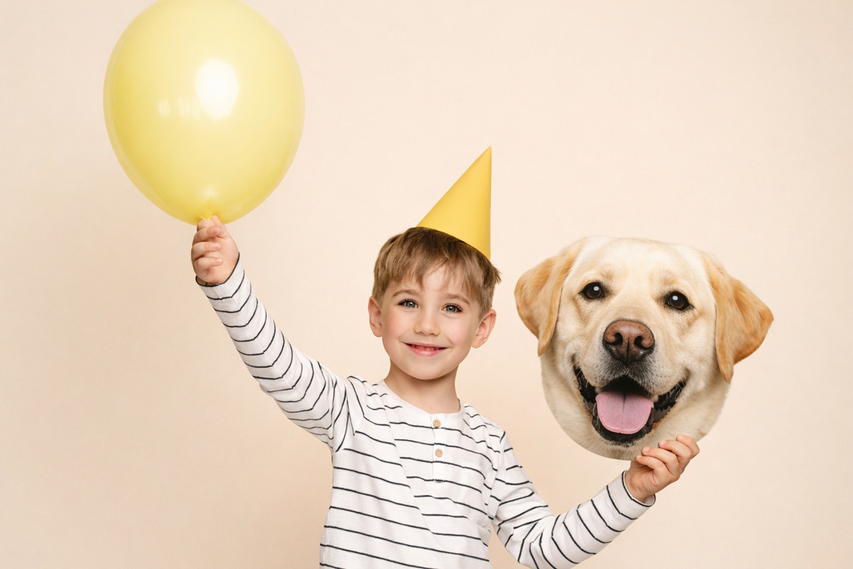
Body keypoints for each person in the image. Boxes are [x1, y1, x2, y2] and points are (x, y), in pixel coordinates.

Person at [189, 150, 699, 568]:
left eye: (451, 308)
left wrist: (631, 489)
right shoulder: (349, 410)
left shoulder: (489, 446)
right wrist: (227, 283)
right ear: (376, 314)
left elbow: (541, 549)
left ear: (481, 329)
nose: (428, 324)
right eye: (408, 302)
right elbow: (275, 364)